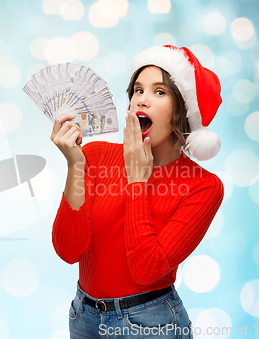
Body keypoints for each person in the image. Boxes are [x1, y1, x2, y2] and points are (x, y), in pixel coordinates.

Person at [50, 45, 224, 339]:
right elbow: (68, 250)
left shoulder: (203, 187)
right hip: (84, 317)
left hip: (150, 324)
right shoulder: (94, 155)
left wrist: (137, 181)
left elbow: (146, 269)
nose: (142, 100)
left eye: (159, 92)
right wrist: (75, 167)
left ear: (181, 111)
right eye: (138, 90)